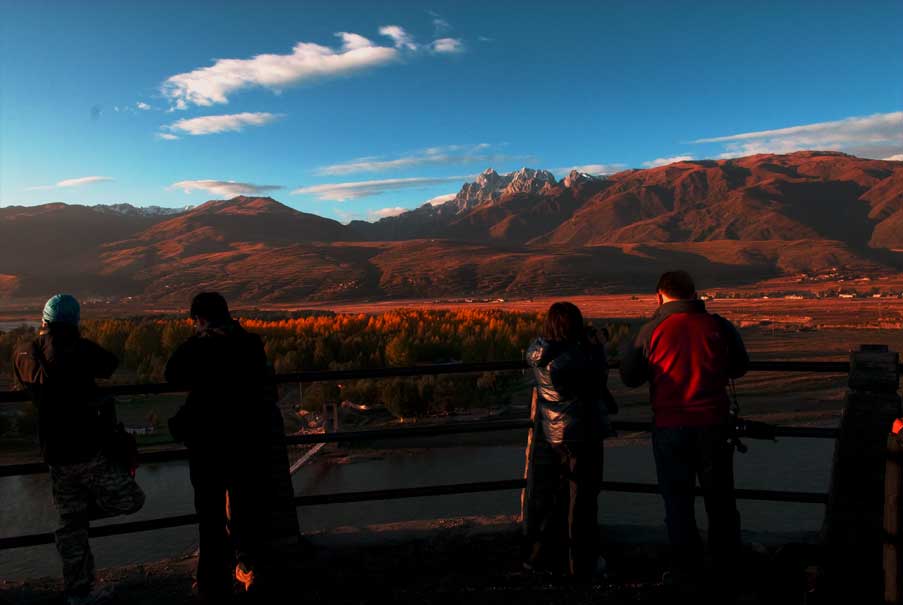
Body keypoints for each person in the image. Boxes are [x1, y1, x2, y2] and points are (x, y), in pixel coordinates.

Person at [620, 271, 748, 591]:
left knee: (677, 503)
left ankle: (686, 573)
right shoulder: (719, 326)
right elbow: (739, 367)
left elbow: (630, 377)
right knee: (720, 502)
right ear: (694, 293)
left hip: (670, 429)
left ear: (659, 296)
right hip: (715, 427)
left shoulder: (652, 330)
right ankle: (727, 571)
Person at [13, 294, 145, 605]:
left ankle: (79, 591)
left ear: (43, 320)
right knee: (132, 499)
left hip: (54, 453)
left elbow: (25, 378)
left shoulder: (24, 353)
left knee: (71, 526)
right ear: (74, 321)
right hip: (87, 449)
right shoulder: (80, 350)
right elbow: (109, 365)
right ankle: (86, 515)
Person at [165, 292, 294, 603]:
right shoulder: (251, 343)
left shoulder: (198, 346)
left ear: (199, 318)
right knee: (246, 509)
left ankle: (210, 582)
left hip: (208, 446)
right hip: (249, 442)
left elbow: (171, 374)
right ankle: (248, 568)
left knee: (209, 515)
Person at [523, 301, 615, 581]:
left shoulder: (538, 351)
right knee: (583, 500)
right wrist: (597, 348)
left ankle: (541, 555)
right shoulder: (572, 358)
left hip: (555, 435)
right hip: (581, 434)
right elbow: (597, 383)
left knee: (559, 495)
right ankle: (582, 564)